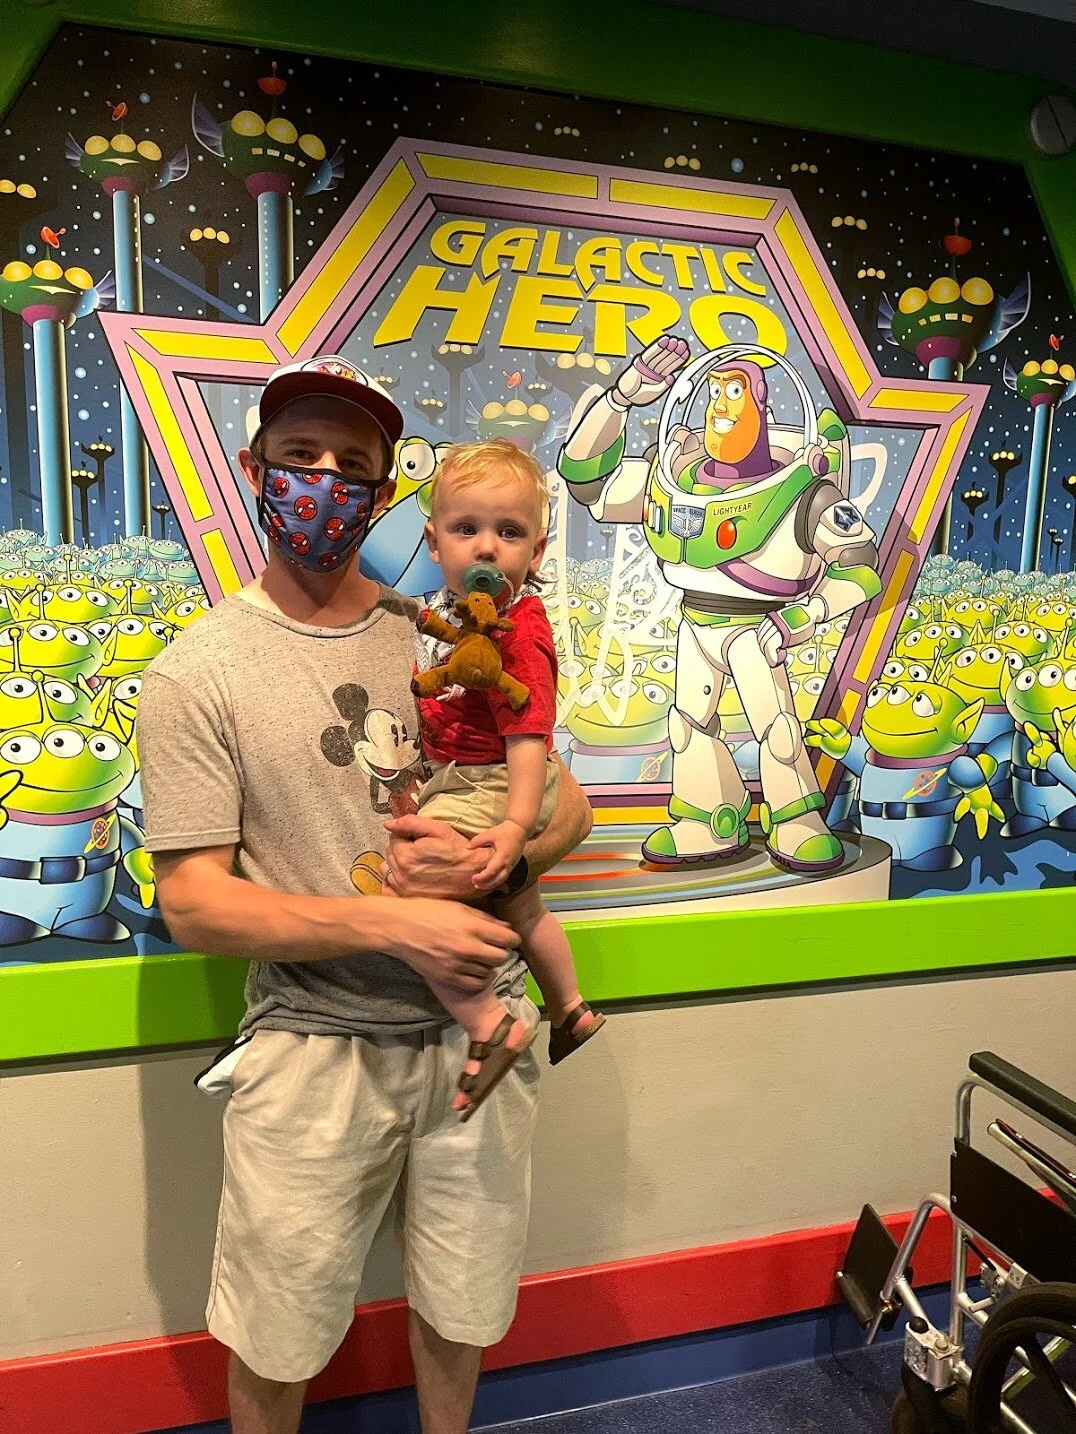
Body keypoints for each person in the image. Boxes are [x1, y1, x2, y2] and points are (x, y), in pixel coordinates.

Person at [136, 356, 593, 1434]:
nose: (325, 482)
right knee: (277, 1338)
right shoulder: (196, 672)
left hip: (479, 1050)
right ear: (256, 469)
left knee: (462, 1313)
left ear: (387, 495)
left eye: (353, 465)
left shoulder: (443, 633)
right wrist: (400, 923)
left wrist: (501, 866)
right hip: (313, 1053)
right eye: (300, 457)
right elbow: (193, 904)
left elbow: (565, 804)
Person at [410, 439, 604, 1119]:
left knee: (420, 893)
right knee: (523, 909)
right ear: (434, 542)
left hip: (493, 781)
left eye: (510, 532)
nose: (487, 546)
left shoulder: (516, 633)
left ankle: (489, 1023)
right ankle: (570, 1007)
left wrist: (517, 826)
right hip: (475, 776)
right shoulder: (459, 619)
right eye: (466, 528)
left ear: (537, 552)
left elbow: (528, 737)